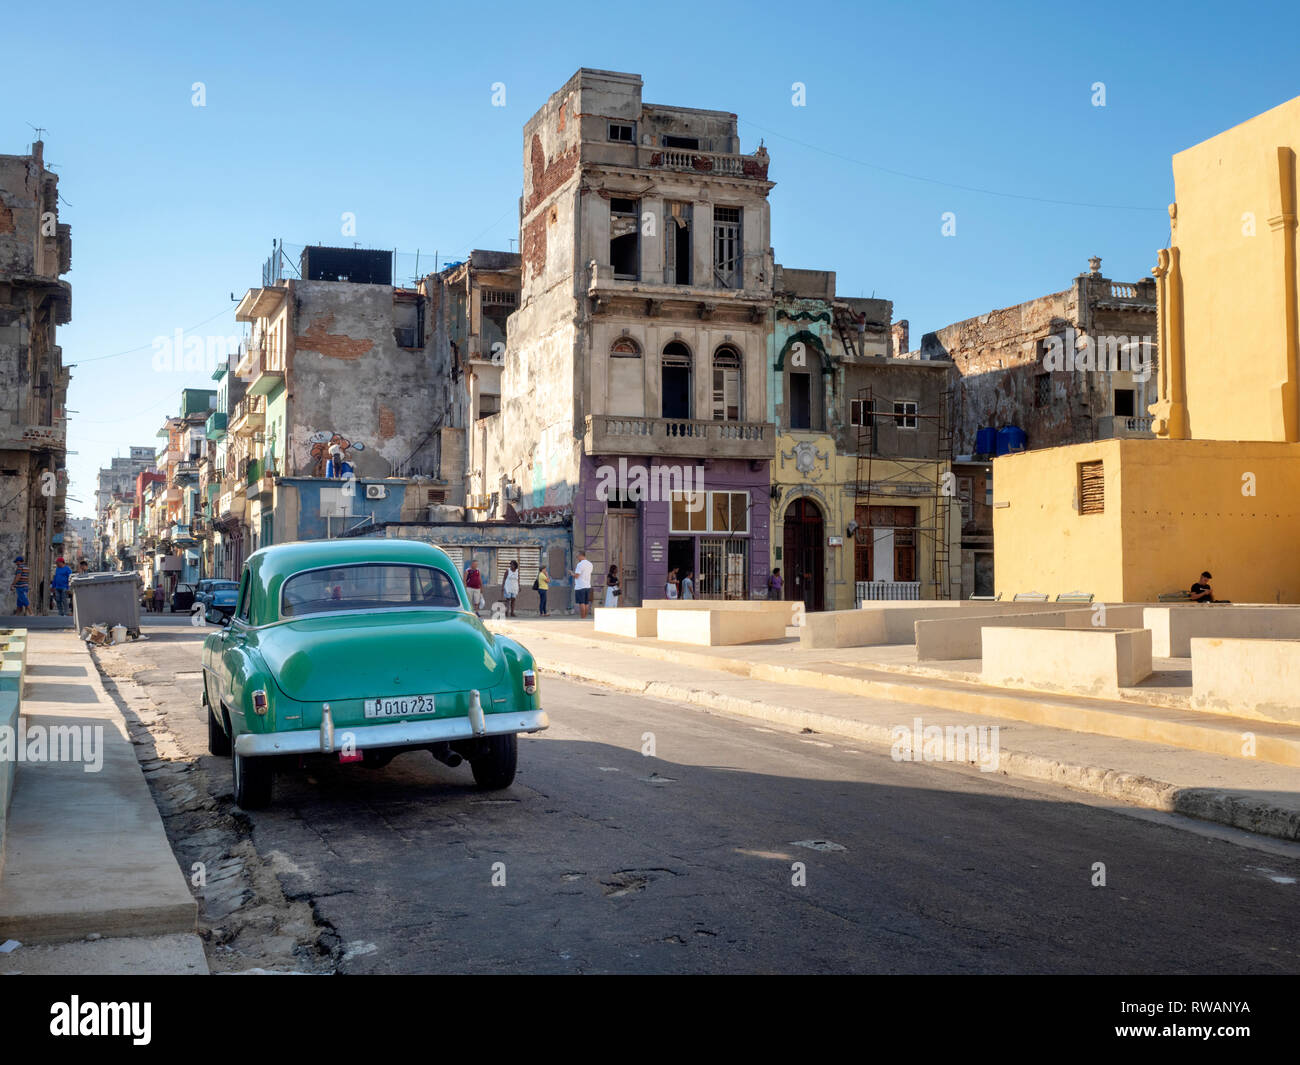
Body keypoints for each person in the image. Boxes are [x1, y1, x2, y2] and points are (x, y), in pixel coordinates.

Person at [571, 550, 593, 619]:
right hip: (587, 586)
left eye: (578, 556)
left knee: (581, 602)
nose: (577, 557)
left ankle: (582, 617)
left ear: (581, 555)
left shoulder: (580, 564)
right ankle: (585, 617)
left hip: (580, 586)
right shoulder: (590, 564)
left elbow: (577, 576)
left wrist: (572, 574)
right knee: (586, 603)